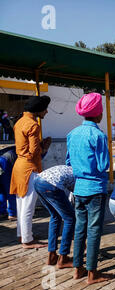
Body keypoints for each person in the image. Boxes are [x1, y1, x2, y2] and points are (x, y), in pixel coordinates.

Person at [66, 92, 111, 285]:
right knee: (94, 231)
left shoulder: (72, 134)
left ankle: (78, 268)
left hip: (78, 188)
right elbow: (104, 166)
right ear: (99, 114)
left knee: (79, 228)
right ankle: (92, 273)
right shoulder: (99, 136)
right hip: (95, 189)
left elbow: (68, 161)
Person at [10, 96, 52, 249]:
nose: (46, 112)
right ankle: (27, 240)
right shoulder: (33, 125)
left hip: (19, 166)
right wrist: (44, 147)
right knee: (28, 206)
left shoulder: (20, 121)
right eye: (45, 109)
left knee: (21, 203)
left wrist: (39, 145)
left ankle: (23, 235)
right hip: (30, 168)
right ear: (38, 110)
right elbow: (34, 151)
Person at [34, 165, 76, 268]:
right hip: (51, 185)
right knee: (70, 219)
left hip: (38, 181)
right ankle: (63, 258)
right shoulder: (80, 177)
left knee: (55, 216)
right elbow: (76, 199)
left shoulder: (71, 169)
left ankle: (51, 255)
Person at [0, 146, 17, 220]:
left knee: (2, 189)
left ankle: (1, 211)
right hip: (7, 161)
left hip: (3, 158)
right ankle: (12, 214)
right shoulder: (35, 150)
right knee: (10, 189)